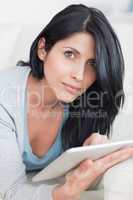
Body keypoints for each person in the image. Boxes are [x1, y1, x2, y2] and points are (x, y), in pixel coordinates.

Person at [0, 3, 133, 200]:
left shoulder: (87, 101)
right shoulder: (5, 100)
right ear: (43, 49)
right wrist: (63, 194)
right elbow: (9, 192)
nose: (80, 75)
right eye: (69, 54)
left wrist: (92, 158)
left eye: (93, 64)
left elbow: (83, 182)